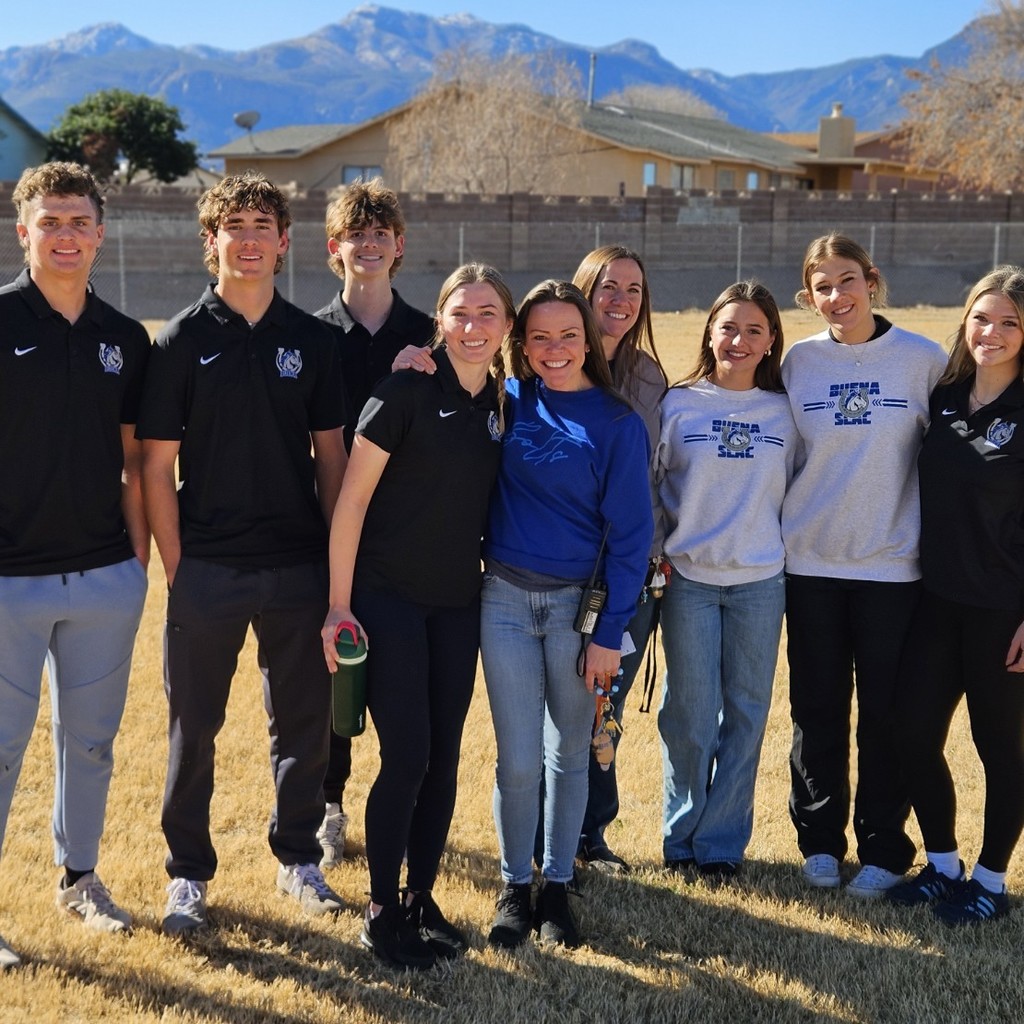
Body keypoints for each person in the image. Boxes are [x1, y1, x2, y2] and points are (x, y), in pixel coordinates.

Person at [138, 171, 348, 935]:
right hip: (210, 570)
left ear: (285, 242)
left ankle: (298, 860)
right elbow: (155, 464)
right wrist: (179, 566)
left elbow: (332, 457)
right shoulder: (180, 341)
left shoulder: (313, 340)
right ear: (211, 242)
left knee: (303, 724)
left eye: (264, 225)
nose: (250, 239)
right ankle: (187, 875)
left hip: (297, 565)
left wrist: (332, 566)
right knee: (193, 728)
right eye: (236, 225)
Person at [321, 263, 512, 969]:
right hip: (387, 599)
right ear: (439, 320)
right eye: (460, 313)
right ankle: (379, 912)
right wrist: (339, 606)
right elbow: (351, 504)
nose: (473, 327)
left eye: (488, 314)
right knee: (405, 755)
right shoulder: (402, 391)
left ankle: (419, 896)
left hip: (458, 604)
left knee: (444, 758)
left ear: (506, 328)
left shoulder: (501, 404)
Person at [0, 162, 150, 971]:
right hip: (7, 580)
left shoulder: (124, 339)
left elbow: (134, 460)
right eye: (47, 221)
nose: (64, 235)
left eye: (77, 222)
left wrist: (135, 563)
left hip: (103, 580)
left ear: (99, 233)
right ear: (23, 232)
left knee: (90, 744)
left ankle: (80, 878)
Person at [481, 280, 652, 950]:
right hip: (503, 601)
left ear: (588, 341)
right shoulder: (505, 401)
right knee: (518, 760)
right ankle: (512, 887)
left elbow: (634, 538)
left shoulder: (616, 423)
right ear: (521, 342)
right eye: (540, 337)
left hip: (579, 612)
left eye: (568, 336)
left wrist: (610, 636)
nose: (555, 350)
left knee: (567, 755)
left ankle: (556, 887)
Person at [782, 233, 946, 897]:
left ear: (871, 280)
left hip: (891, 568)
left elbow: (949, 462)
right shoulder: (798, 363)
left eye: (846, 280)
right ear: (810, 295)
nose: (836, 296)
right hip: (812, 564)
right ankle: (820, 842)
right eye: (822, 286)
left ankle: (883, 845)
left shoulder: (922, 360)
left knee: (886, 715)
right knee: (816, 710)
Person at [885, 266, 1024, 924]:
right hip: (937, 599)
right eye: (981, 318)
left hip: (1003, 608)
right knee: (912, 731)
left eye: (1009, 322)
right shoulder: (944, 393)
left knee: (1000, 749)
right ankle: (943, 866)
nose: (991, 333)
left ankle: (991, 884)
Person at [656, 282, 797, 878]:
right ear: (709, 332)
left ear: (770, 343)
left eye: (754, 331)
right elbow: (653, 485)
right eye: (728, 328)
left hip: (761, 580)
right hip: (689, 577)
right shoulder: (677, 403)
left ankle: (720, 844)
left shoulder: (785, 412)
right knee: (690, 713)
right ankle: (680, 836)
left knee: (745, 712)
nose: (739, 341)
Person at [313, 178, 435, 869]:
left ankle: (403, 801)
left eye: (380, 234)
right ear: (336, 247)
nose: (368, 244)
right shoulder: (310, 335)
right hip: (330, 526)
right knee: (334, 671)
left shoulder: (428, 332)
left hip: (404, 535)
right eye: (356, 234)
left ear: (399, 247)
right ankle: (328, 804)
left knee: (400, 681)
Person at [569, 246, 668, 873]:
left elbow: (653, 479)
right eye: (609, 286)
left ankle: (592, 835)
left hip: (630, 575)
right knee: (561, 706)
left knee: (605, 708)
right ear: (585, 289)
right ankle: (547, 833)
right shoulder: (550, 361)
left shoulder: (650, 379)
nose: (621, 301)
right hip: (559, 569)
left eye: (634, 289)